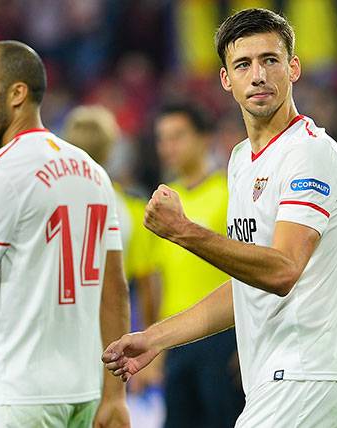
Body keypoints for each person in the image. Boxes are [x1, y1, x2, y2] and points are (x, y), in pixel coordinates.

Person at [103, 8, 337, 427]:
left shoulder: (309, 153)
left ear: (293, 68)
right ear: (226, 79)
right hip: (278, 382)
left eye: (270, 60)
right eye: (243, 64)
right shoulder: (242, 161)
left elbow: (282, 271)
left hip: (304, 378)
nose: (257, 75)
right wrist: (155, 338)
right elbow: (245, 291)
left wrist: (184, 232)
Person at [0, 41, 131, 428]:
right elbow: (114, 289)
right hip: (86, 392)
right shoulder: (93, 172)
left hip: (22, 394)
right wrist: (115, 394)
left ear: (17, 93)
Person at [137, 102, 244, 428]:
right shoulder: (159, 204)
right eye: (162, 138)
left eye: (178, 136)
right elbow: (154, 282)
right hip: (177, 340)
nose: (168, 147)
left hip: (222, 338)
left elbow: (250, 270)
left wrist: (247, 343)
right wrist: (154, 348)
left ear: (204, 138)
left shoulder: (229, 192)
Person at [62, 105, 159, 330]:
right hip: (108, 329)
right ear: (110, 151)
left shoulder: (47, 201)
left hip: (58, 327)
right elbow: (147, 286)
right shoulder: (132, 209)